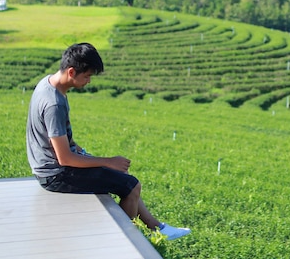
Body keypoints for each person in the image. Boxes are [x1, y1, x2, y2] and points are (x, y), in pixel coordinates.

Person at [26, 42, 190, 241]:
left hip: (48, 167)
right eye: (86, 76)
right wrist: (107, 161)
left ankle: (157, 228)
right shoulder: (54, 103)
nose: (88, 81)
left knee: (125, 179)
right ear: (71, 72)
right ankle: (123, 242)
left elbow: (57, 139)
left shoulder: (47, 84)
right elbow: (65, 158)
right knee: (131, 186)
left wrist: (83, 152)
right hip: (56, 175)